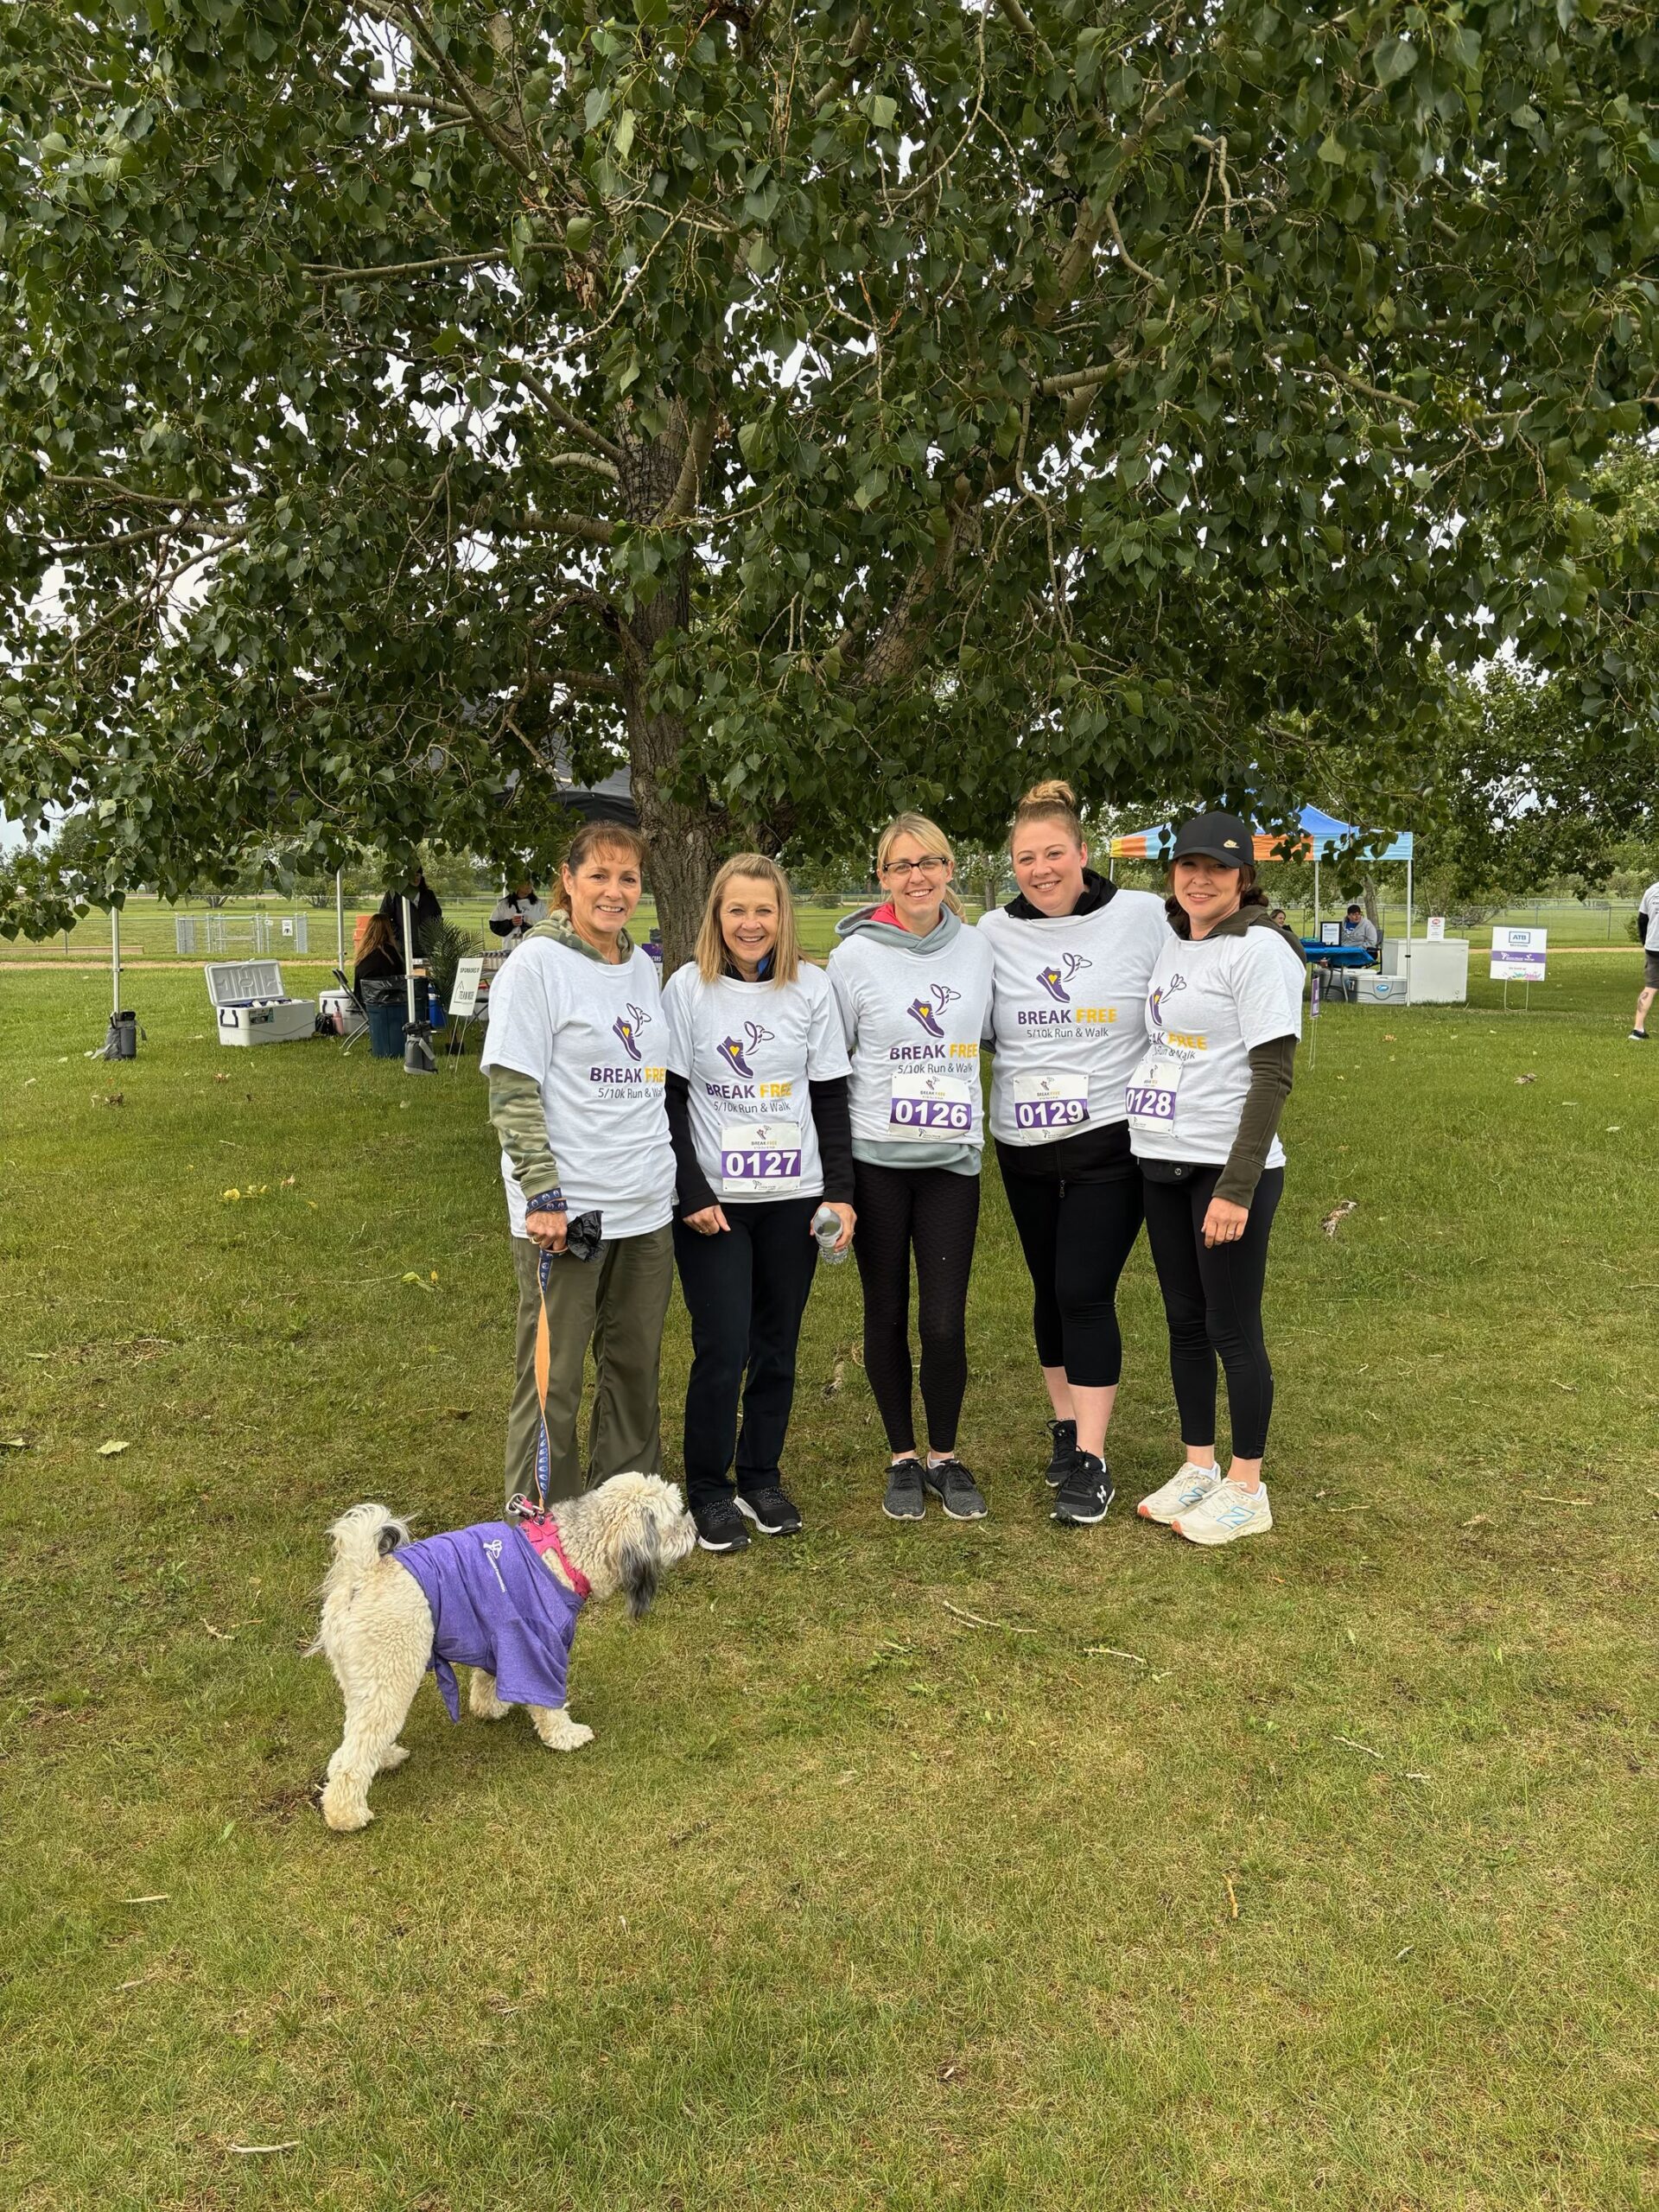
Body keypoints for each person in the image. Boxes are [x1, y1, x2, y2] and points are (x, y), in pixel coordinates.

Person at [978, 779, 1170, 1527]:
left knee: (1083, 1290)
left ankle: (1092, 1459)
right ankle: (1066, 1423)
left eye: (1054, 853)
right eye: (1026, 858)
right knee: (1048, 1289)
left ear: (1083, 852)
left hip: (1111, 1139)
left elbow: (1205, 958)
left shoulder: (1142, 916)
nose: (1041, 869)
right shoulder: (992, 932)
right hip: (1022, 1143)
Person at [663, 855, 855, 1553]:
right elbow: (669, 1099)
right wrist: (690, 1190)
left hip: (793, 1198)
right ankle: (708, 1489)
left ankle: (760, 1476)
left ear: (782, 916)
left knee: (777, 1345)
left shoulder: (811, 987)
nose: (751, 924)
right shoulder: (688, 988)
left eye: (764, 910)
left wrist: (841, 1193)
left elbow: (829, 1096)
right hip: (714, 1203)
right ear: (716, 916)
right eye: (737, 910)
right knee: (723, 1344)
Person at [480, 822, 676, 1508]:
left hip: (644, 1206)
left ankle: (623, 1515)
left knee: (633, 1367)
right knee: (553, 1378)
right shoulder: (537, 965)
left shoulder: (641, 966)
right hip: (570, 1212)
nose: (614, 892)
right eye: (599, 876)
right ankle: (541, 1528)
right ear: (567, 880)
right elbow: (512, 1088)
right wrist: (542, 1194)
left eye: (628, 878)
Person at [1127, 812, 1306, 1546]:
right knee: (1185, 1321)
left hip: (1226, 1169)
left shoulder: (1260, 949)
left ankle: (1247, 1486)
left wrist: (1236, 1186)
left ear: (1244, 878)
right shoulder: (1176, 941)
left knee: (1232, 1327)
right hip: (1162, 1158)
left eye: (1219, 869)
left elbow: (1273, 1074)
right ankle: (1198, 1465)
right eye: (1189, 866)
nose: (1201, 880)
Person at [827, 813, 994, 1523]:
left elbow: (1000, 1034)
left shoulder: (980, 950)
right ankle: (902, 1456)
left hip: (951, 1163)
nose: (916, 876)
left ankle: (945, 1456)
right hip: (877, 1163)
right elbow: (831, 1065)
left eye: (928, 862)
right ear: (882, 877)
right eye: (900, 865)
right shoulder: (853, 958)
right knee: (886, 1312)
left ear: (949, 869)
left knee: (945, 1322)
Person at [353, 908, 410, 1058]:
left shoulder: (363, 953)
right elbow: (400, 980)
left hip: (365, 1001)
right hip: (387, 1003)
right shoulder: (390, 953)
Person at [1629, 875, 1659, 1039]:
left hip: (1653, 947)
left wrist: (1645, 941)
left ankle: (1638, 1029)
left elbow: (1642, 920)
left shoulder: (1652, 890)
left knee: (1650, 987)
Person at [489, 876, 549, 947]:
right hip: (511, 949)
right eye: (526, 882)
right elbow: (494, 926)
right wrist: (510, 923)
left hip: (533, 948)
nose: (530, 885)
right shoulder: (504, 905)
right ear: (516, 884)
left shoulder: (539, 905)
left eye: (531, 882)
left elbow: (547, 927)